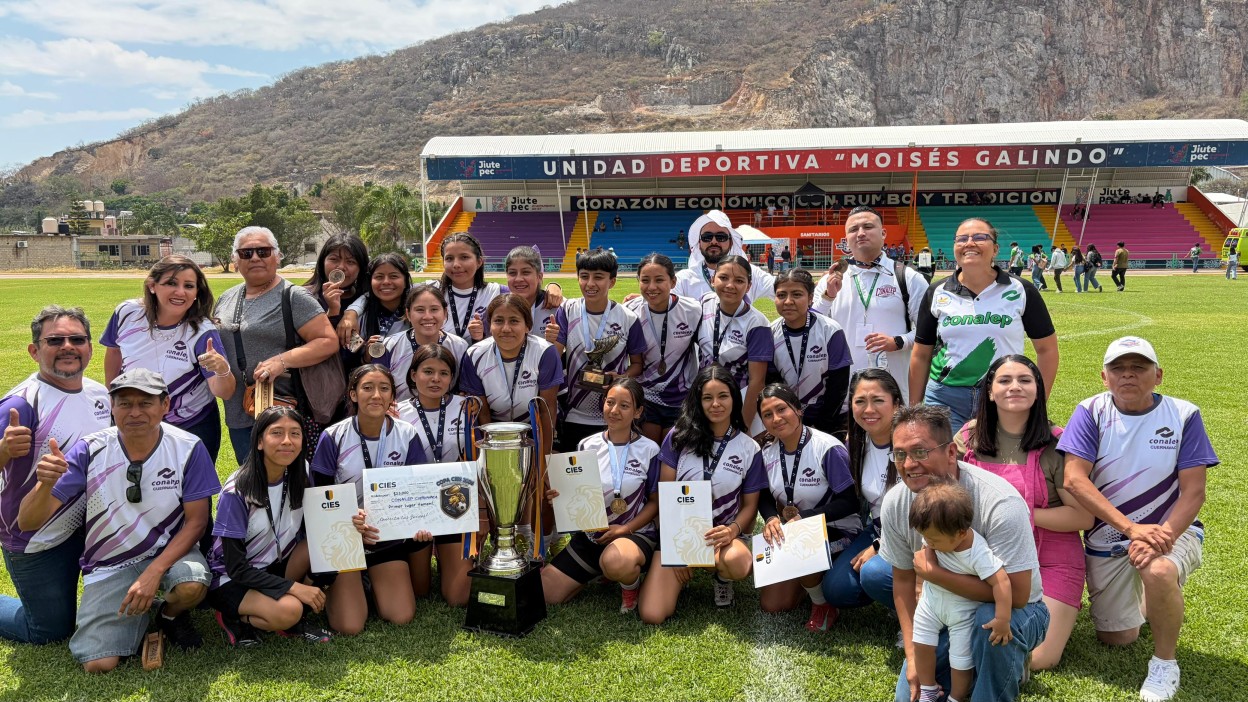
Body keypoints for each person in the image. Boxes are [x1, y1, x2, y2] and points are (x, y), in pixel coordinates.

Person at [17, 368, 221, 672]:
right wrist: (44, 484)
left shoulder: (188, 447)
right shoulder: (90, 448)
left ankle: (169, 616)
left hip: (167, 553)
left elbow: (196, 523)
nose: (135, 412)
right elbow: (27, 522)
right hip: (111, 561)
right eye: (124, 403)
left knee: (191, 583)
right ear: (112, 407)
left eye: (146, 403)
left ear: (165, 405)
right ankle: (137, 612)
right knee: (99, 664)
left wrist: (153, 572)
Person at [1057, 336, 1218, 702]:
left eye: (1139, 367)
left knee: (1159, 570)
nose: (1128, 375)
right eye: (1118, 368)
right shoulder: (1090, 411)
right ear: (1104, 376)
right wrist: (1131, 530)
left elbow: (1194, 491)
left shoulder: (1183, 414)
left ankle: (1164, 664)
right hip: (1109, 538)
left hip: (1171, 531)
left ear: (1158, 375)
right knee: (1117, 638)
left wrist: (1162, 536)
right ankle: (1156, 597)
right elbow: (1074, 479)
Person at [879, 404, 1047, 702]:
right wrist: (913, 657)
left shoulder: (999, 502)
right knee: (910, 697)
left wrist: (936, 576)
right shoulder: (895, 502)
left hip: (1018, 611)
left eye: (919, 452)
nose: (908, 464)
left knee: (988, 621)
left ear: (951, 453)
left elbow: (1019, 595)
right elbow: (903, 582)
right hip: (948, 612)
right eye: (900, 454)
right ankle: (985, 666)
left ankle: (1000, 669)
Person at [955, 355, 1092, 671]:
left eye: (1025, 380)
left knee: (1040, 658)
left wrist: (1014, 514)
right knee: (966, 641)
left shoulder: (1059, 443)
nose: (1014, 387)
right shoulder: (967, 438)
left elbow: (1082, 517)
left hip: (1050, 559)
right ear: (990, 391)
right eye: (1004, 380)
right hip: (984, 557)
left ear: (1038, 390)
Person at [0, 306, 111, 644]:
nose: (68, 346)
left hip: (90, 528)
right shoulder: (19, 405)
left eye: (77, 339)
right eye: (55, 340)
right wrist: (4, 450)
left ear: (90, 348)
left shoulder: (101, 395)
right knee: (49, 630)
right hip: (36, 536)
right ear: (35, 350)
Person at [638, 366, 765, 623]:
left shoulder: (748, 447)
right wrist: (678, 553)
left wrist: (732, 530)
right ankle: (680, 570)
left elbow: (751, 506)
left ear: (734, 399)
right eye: (708, 397)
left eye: (723, 396)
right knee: (653, 614)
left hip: (721, 538)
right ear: (698, 400)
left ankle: (722, 577)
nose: (715, 404)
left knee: (739, 563)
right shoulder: (678, 437)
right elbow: (667, 496)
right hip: (680, 536)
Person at [309, 365, 428, 635]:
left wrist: (417, 522)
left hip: (386, 536)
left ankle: (369, 581)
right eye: (367, 388)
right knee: (349, 626)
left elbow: (417, 490)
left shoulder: (406, 434)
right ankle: (350, 582)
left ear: (392, 397)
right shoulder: (333, 436)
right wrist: (350, 521)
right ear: (352, 394)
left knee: (401, 615)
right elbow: (320, 499)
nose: (376, 395)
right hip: (345, 536)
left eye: (384, 389)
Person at [909, 218, 1058, 432]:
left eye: (980, 237)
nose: (970, 243)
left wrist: (1038, 403)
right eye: (962, 239)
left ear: (995, 249)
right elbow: (921, 354)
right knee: (945, 462)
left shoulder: (1021, 290)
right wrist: (914, 410)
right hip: (945, 397)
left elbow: (1047, 349)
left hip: (1003, 395)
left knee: (996, 463)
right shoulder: (936, 292)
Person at [208, 406, 331, 647]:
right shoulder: (238, 491)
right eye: (277, 433)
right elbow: (236, 568)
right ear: (260, 442)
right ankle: (234, 616)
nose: (287, 441)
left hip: (274, 565)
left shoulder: (301, 472)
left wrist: (350, 517)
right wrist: (295, 587)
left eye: (295, 434)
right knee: (289, 610)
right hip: (232, 578)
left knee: (326, 545)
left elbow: (324, 516)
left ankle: (288, 610)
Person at [213, 226, 338, 462]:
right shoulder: (227, 297)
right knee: (252, 486)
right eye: (246, 253)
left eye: (264, 251)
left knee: (287, 485)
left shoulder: (293, 296)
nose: (256, 258)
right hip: (240, 411)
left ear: (277, 257)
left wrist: (281, 361)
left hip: (282, 412)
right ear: (235, 260)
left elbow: (328, 341)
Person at [542, 379, 661, 613]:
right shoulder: (587, 445)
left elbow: (656, 503)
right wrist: (560, 496)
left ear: (638, 412)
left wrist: (625, 530)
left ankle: (630, 586)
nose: (615, 411)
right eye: (610, 403)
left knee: (617, 562)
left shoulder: (650, 450)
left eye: (624, 406)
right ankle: (596, 571)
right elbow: (578, 493)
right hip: (593, 536)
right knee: (547, 593)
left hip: (634, 534)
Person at [101, 255, 234, 461]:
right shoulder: (127, 313)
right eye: (171, 283)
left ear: (197, 293)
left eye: (189, 286)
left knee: (190, 491)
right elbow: (114, 351)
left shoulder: (202, 332)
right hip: (135, 419)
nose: (180, 292)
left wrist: (222, 369)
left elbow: (223, 392)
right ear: (152, 285)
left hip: (190, 424)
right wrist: (113, 393)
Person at [756, 384, 857, 631]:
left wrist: (806, 517)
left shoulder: (827, 447)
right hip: (796, 529)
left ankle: (822, 603)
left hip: (840, 529)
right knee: (773, 604)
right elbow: (764, 496)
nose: (776, 419)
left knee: (802, 542)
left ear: (799, 410)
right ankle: (810, 581)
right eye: (767, 415)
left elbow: (850, 501)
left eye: (782, 409)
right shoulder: (767, 452)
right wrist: (770, 518)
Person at [907, 480, 1014, 702]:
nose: (928, 542)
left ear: (961, 533)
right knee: (921, 642)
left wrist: (1003, 618)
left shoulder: (977, 551)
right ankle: (928, 688)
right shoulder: (935, 533)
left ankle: (956, 697)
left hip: (963, 613)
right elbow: (922, 561)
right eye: (925, 536)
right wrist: (919, 587)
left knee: (961, 660)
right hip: (931, 601)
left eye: (933, 540)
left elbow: (1001, 581)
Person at [813, 205, 929, 405]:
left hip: (893, 386)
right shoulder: (830, 281)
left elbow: (928, 333)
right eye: (853, 229)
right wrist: (828, 297)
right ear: (846, 239)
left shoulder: (908, 277)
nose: (860, 233)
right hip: (843, 388)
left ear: (883, 233)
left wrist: (899, 341)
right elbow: (812, 326)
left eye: (868, 226)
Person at [396, 345, 476, 607]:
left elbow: (476, 458)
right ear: (413, 375)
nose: (435, 379)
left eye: (443, 373)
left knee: (458, 597)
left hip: (455, 501)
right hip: (416, 505)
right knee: (420, 591)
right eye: (428, 371)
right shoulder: (396, 413)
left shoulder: (467, 407)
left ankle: (450, 557)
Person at [821, 369, 902, 610]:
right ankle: (894, 590)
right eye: (860, 402)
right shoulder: (855, 442)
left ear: (896, 404)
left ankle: (919, 610)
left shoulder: (913, 442)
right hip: (878, 528)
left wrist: (879, 546)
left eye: (878, 400)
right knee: (836, 588)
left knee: (874, 573)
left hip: (916, 536)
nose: (868, 410)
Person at [549, 249, 645, 451]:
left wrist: (621, 377)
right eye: (584, 276)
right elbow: (555, 355)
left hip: (613, 414)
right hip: (573, 412)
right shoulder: (568, 310)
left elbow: (638, 364)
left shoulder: (627, 318)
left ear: (612, 282)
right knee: (577, 475)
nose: (590, 283)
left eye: (598, 277)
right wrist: (550, 343)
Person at [461, 294, 564, 457]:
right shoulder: (474, 354)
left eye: (514, 321)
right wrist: (494, 455)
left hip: (533, 429)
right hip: (493, 430)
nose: (506, 328)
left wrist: (544, 457)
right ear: (489, 325)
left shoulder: (545, 352)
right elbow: (483, 412)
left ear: (527, 326)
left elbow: (547, 410)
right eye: (498, 321)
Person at [625, 254, 703, 444]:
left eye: (659, 280)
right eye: (645, 280)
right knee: (649, 453)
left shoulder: (692, 310)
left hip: (681, 398)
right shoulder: (629, 311)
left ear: (673, 281)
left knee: (672, 456)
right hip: (646, 398)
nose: (652, 287)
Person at [769, 268, 852, 437]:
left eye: (797, 294)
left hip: (831, 420)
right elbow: (772, 381)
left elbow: (839, 384)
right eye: (781, 295)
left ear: (811, 298)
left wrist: (822, 425)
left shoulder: (830, 330)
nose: (788, 301)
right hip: (788, 420)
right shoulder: (770, 333)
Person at [695, 255, 772, 435]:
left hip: (740, 400)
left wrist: (742, 426)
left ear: (749, 286)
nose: (730, 285)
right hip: (704, 397)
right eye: (723, 278)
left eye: (739, 280)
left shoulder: (757, 323)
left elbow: (757, 381)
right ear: (713, 280)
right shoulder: (704, 303)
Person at [373, 283, 469, 403]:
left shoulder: (460, 346)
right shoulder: (390, 345)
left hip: (446, 417)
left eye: (434, 309)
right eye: (420, 310)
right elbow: (378, 387)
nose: (427, 316)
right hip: (399, 416)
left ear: (444, 312)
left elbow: (464, 391)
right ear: (408, 314)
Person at [673, 210, 775, 302]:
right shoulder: (683, 280)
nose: (713, 241)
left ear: (731, 242)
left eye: (721, 237)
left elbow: (782, 288)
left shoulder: (751, 273)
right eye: (707, 237)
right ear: (699, 243)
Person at [336, 253, 414, 365]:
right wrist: (367, 357)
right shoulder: (358, 321)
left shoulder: (417, 314)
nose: (386, 282)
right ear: (370, 281)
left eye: (394, 276)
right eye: (379, 277)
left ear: (405, 281)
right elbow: (350, 361)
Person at [439, 232, 508, 344]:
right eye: (449, 258)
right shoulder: (432, 291)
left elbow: (531, 295)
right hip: (439, 360)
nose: (456, 264)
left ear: (479, 261)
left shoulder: (496, 292)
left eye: (464, 257)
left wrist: (548, 287)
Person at [302, 233, 369, 339]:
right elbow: (315, 346)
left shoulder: (366, 300)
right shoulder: (303, 296)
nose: (341, 267)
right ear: (322, 261)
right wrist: (333, 311)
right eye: (334, 259)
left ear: (361, 269)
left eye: (350, 262)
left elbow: (354, 348)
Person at [503, 246, 564, 335]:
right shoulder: (500, 306)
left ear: (539, 277)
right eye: (512, 273)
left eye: (526, 272)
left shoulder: (559, 307)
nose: (518, 279)